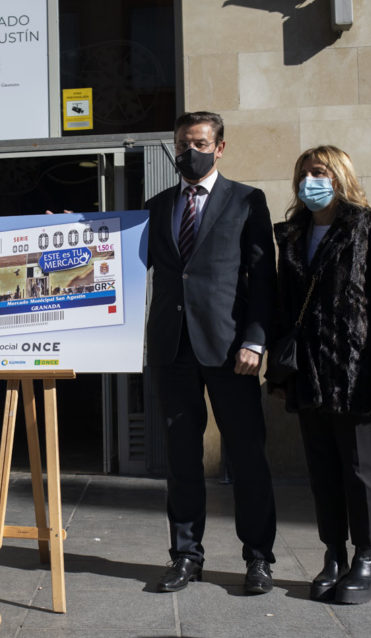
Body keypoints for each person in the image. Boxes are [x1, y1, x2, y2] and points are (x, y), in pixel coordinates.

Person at [269, 145, 371, 604]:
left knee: (361, 469)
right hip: (310, 371)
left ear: (340, 177)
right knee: (323, 471)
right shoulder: (293, 234)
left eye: (320, 172)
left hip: (359, 371)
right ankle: (333, 553)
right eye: (305, 173)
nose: (311, 180)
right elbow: (285, 307)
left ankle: (366, 558)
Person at [146, 111, 278, 594]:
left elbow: (264, 277)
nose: (190, 152)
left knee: (247, 457)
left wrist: (256, 339)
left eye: (199, 143)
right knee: (182, 461)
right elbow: (115, 252)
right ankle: (185, 556)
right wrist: (75, 233)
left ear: (220, 147)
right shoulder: (157, 205)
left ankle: (259, 559)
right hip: (172, 348)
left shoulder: (246, 201)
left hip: (230, 351)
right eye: (182, 144)